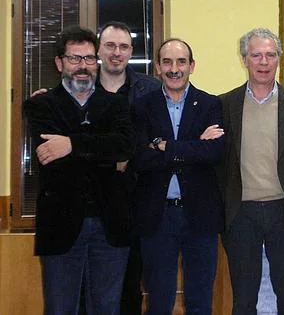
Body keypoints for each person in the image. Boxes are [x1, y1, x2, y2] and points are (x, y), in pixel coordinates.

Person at [23, 25, 135, 314]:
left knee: (107, 307)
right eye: (74, 59)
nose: (82, 67)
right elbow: (52, 160)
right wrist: (103, 153)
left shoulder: (116, 105)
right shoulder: (41, 105)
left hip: (110, 225)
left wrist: (71, 144)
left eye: (88, 59)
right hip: (60, 225)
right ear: (60, 63)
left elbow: (123, 148)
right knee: (60, 308)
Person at [219, 28, 284, 315]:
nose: (263, 62)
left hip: (283, 211)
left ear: (278, 60)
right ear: (244, 59)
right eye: (256, 55)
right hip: (241, 213)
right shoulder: (224, 104)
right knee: (244, 296)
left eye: (270, 55)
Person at [131, 38, 224, 315]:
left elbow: (215, 152)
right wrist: (194, 146)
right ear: (157, 67)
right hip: (156, 217)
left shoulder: (210, 105)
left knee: (200, 300)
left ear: (192, 66)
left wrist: (164, 146)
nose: (174, 69)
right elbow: (141, 159)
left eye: (181, 62)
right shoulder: (142, 106)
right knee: (159, 301)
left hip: (200, 216)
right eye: (167, 62)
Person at [97, 21, 162, 315]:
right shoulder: (82, 85)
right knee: (92, 285)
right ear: (99, 49)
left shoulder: (150, 88)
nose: (116, 53)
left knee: (130, 286)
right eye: (110, 45)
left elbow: (158, 140)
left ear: (131, 51)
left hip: (136, 203)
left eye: (123, 47)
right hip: (91, 204)